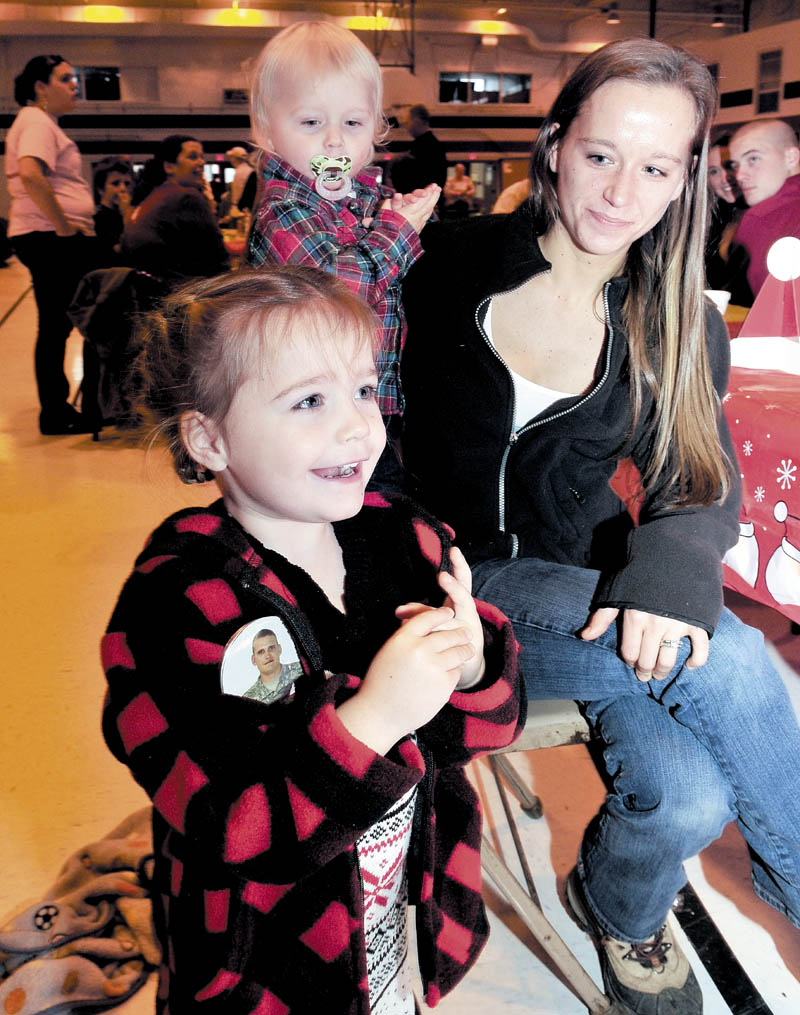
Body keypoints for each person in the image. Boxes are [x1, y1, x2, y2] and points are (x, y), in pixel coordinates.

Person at [401, 37, 800, 1015]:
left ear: (684, 181)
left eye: (656, 168)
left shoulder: (675, 317)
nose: (622, 192)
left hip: (569, 596)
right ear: (553, 145)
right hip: (434, 589)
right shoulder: (445, 268)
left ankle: (616, 908)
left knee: (688, 795)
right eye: (600, 154)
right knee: (730, 656)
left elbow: (698, 479)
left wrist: (665, 575)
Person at [100, 266, 523, 1013]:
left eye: (363, 389)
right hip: (265, 962)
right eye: (309, 401)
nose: (359, 425)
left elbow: (491, 725)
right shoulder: (178, 599)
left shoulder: (408, 540)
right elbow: (236, 829)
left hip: (401, 915)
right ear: (209, 438)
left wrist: (473, 663)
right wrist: (376, 717)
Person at [246, 21, 440, 483]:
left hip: (374, 406)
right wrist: (397, 232)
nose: (334, 140)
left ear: (375, 130)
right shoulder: (283, 210)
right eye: (312, 122)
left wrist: (417, 223)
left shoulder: (368, 200)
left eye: (352, 123)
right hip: (310, 421)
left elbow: (409, 278)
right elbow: (336, 292)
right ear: (268, 130)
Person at [5, 54, 99, 435]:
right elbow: (31, 174)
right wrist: (63, 229)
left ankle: (58, 409)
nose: (74, 86)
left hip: (45, 235)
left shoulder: (41, 123)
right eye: (64, 79)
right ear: (40, 87)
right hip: (48, 236)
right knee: (58, 325)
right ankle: (56, 412)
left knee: (56, 324)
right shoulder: (36, 121)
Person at [120, 135, 229, 286]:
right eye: (193, 157)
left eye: (202, 157)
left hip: (144, 286)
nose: (201, 162)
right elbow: (217, 255)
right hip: (172, 290)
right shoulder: (186, 196)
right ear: (169, 167)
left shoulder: (158, 194)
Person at [728, 118, 800, 297]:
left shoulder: (762, 217)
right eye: (736, 166)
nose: (739, 176)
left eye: (753, 159)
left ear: (791, 158)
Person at [705, 137, 752, 306]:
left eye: (729, 166)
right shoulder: (707, 221)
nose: (725, 178)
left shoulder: (761, 215)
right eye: (714, 172)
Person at [242, 628, 302, 703]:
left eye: (271, 648)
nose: (267, 655)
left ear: (279, 649)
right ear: (254, 660)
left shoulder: (301, 669)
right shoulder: (249, 700)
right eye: (261, 652)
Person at [92, 156, 133, 263]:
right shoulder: (97, 221)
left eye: (127, 184)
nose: (123, 189)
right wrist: (126, 213)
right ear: (100, 189)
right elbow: (123, 250)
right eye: (115, 183)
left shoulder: (133, 214)